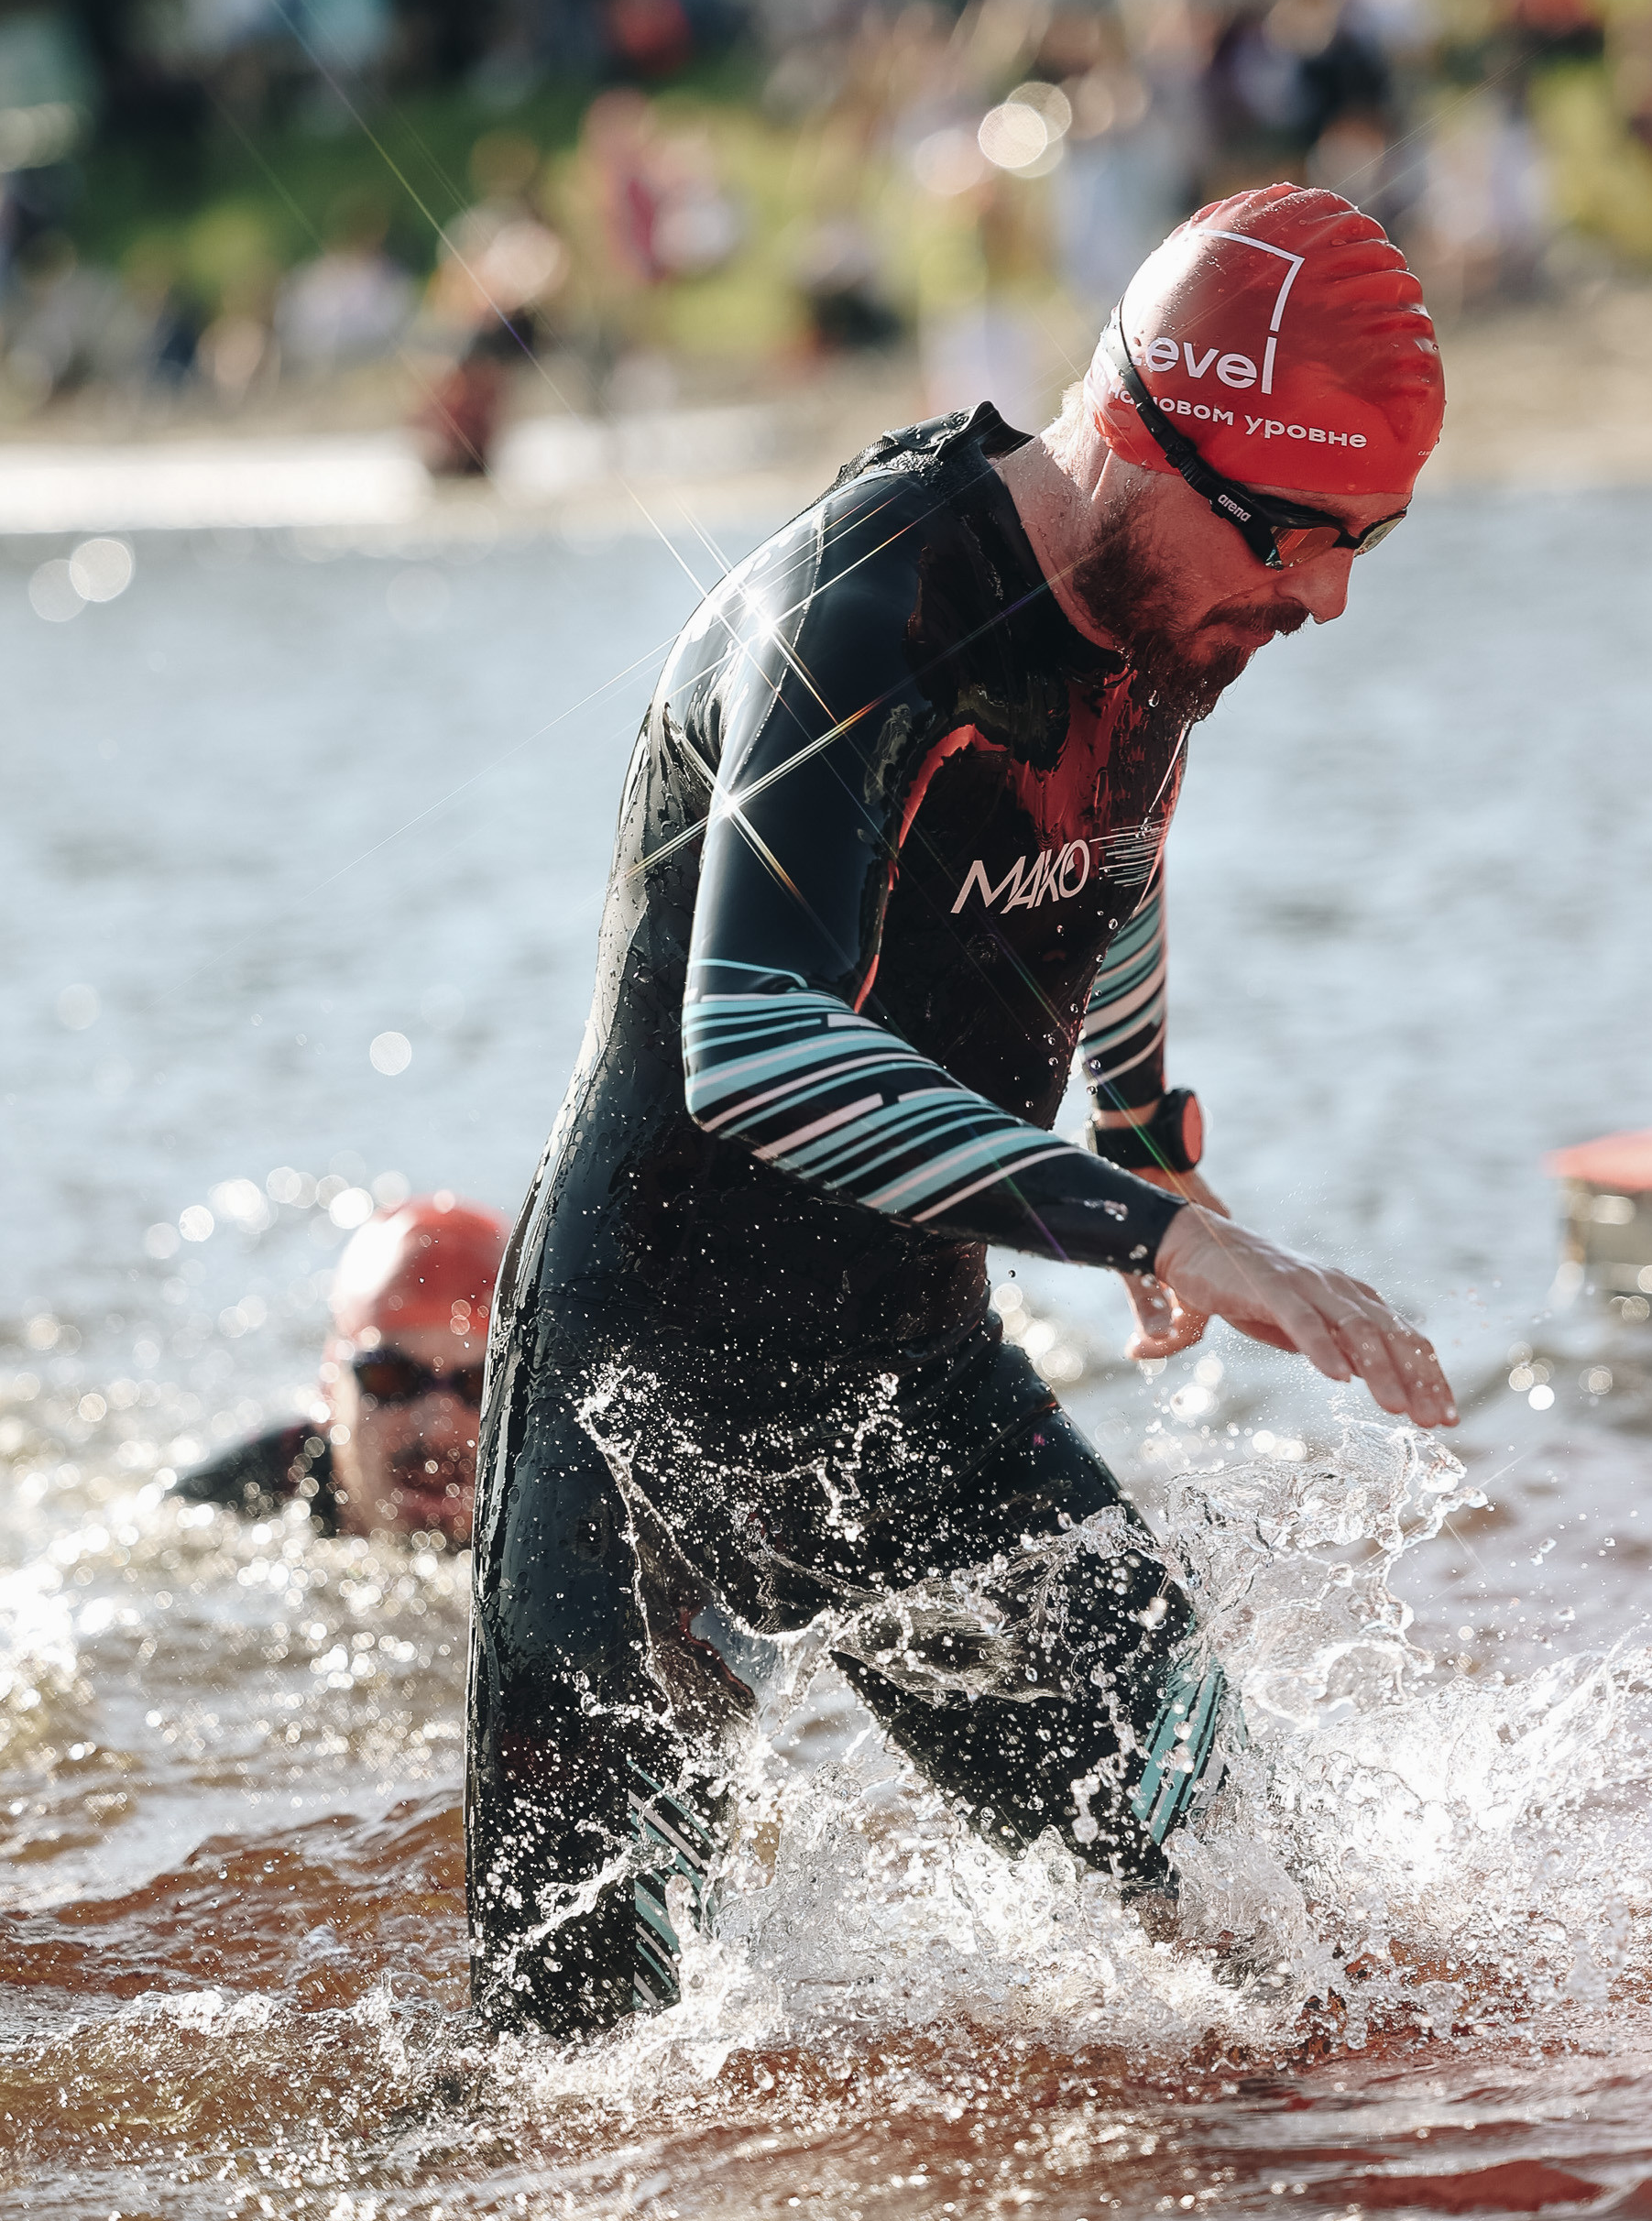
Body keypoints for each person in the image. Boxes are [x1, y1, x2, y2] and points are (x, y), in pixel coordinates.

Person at [468, 183, 1456, 2036]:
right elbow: (747, 1040)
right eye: (1297, 538)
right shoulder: (868, 602)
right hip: (645, 1382)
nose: (1320, 599)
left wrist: (1151, 1129)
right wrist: (1152, 1229)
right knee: (570, 2072)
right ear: (1137, 441)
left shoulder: (1164, 617)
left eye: (1366, 546)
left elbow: (1113, 852)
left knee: (1273, 1942)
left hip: (909, 1368)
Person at [172, 1194, 508, 1544]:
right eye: (392, 1378)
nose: (438, 1428)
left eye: (482, 1386)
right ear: (330, 1388)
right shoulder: (219, 1511)